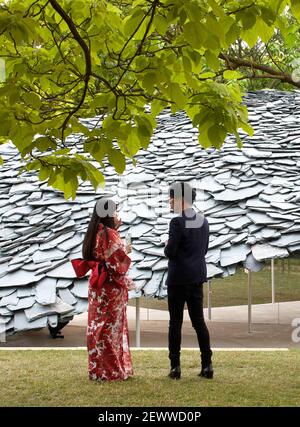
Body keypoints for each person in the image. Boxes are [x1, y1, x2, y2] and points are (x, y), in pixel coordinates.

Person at [71, 198, 134, 382]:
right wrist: (125, 249)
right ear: (108, 214)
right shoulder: (110, 233)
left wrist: (116, 232)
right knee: (111, 329)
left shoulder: (94, 232)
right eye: (115, 212)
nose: (117, 215)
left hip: (97, 286)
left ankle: (97, 370)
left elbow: (103, 255)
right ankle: (112, 371)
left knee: (97, 327)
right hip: (110, 287)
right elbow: (117, 265)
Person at [164, 182, 213, 380]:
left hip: (178, 279)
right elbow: (204, 250)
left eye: (171, 197)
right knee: (199, 322)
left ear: (180, 199)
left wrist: (167, 245)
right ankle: (207, 365)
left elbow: (171, 252)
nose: (169, 201)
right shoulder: (204, 221)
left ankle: (175, 367)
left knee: (175, 323)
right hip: (197, 277)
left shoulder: (176, 222)